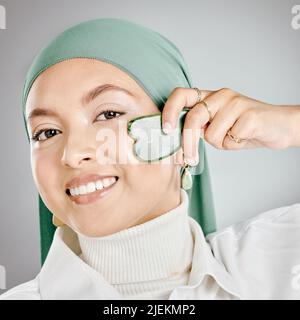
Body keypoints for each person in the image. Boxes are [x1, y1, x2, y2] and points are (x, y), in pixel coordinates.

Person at [1, 18, 300, 300]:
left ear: (185, 130)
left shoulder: (281, 257)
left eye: (108, 114)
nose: (73, 154)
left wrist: (288, 125)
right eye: (47, 132)